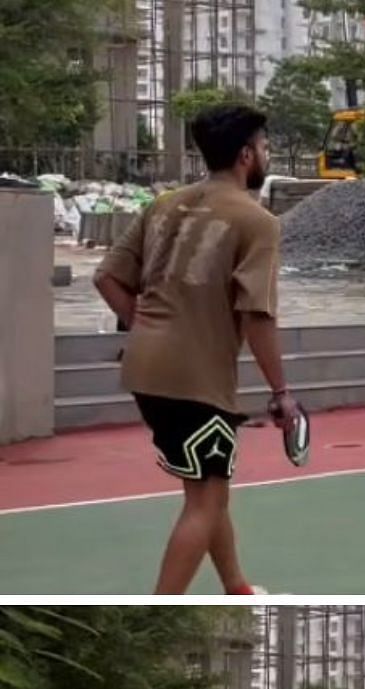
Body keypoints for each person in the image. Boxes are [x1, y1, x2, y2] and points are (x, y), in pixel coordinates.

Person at [93, 102, 305, 595]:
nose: (267, 154)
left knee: (210, 491)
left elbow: (106, 276)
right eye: (266, 146)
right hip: (197, 380)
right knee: (204, 501)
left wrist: (137, 319)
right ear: (247, 155)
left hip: (145, 372)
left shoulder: (164, 204)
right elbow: (257, 315)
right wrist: (281, 391)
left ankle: (237, 586)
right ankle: (161, 606)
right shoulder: (257, 221)